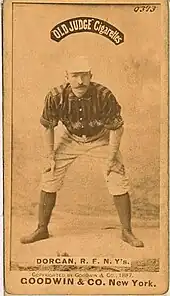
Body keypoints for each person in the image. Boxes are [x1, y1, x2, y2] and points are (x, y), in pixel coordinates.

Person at [20, 56, 144, 247]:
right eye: (75, 75)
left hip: (100, 138)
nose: (80, 81)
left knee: (117, 177)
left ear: (91, 76)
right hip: (71, 138)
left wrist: (111, 157)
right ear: (66, 76)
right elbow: (48, 127)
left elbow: (117, 128)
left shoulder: (104, 95)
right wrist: (50, 156)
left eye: (84, 76)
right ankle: (41, 229)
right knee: (49, 174)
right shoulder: (55, 96)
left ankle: (127, 232)